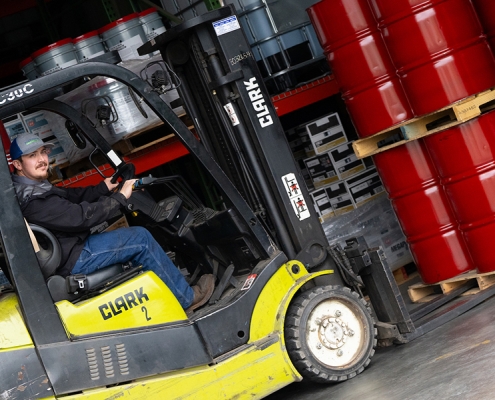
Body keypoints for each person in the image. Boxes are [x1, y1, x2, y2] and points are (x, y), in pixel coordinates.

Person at [10, 133, 215, 312]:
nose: (41, 159)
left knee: (128, 234)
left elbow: (70, 195)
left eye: (43, 153)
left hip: (70, 248)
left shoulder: (33, 187)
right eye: (32, 156)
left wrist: (103, 188)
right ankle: (186, 298)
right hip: (73, 258)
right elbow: (82, 217)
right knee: (140, 238)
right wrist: (121, 197)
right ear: (18, 164)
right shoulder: (34, 200)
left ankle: (165, 294)